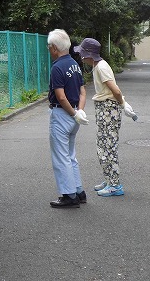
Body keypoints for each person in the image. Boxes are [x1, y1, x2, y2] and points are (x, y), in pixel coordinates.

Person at [76, 37, 136, 197]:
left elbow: (115, 90)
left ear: (88, 54)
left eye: (82, 52)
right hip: (106, 109)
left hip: (108, 109)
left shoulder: (101, 67)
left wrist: (123, 103)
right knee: (104, 145)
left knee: (108, 147)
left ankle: (114, 185)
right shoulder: (98, 66)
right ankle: (109, 179)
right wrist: (122, 103)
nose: (80, 56)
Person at [47, 29, 88, 208]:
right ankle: (79, 191)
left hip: (62, 114)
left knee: (61, 157)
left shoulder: (57, 67)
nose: (49, 49)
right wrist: (79, 112)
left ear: (55, 48)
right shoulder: (74, 64)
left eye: (49, 46)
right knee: (71, 156)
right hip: (75, 115)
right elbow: (82, 92)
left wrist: (72, 113)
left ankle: (69, 196)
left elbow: (61, 97)